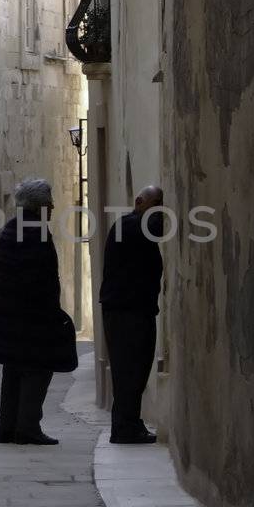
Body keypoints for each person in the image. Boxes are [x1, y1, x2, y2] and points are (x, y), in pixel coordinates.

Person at [0, 177, 78, 445]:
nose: (52, 206)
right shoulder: (35, 232)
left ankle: (8, 427)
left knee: (13, 371)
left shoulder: (9, 230)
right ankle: (27, 427)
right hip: (32, 319)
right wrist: (52, 315)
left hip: (8, 317)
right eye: (49, 202)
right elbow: (41, 280)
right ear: (38, 206)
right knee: (38, 369)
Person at [99, 184, 165, 444]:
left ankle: (129, 424)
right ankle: (125, 427)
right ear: (139, 202)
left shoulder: (133, 225)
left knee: (136, 370)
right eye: (156, 204)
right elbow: (157, 230)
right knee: (129, 371)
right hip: (126, 313)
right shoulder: (130, 226)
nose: (160, 211)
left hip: (134, 310)